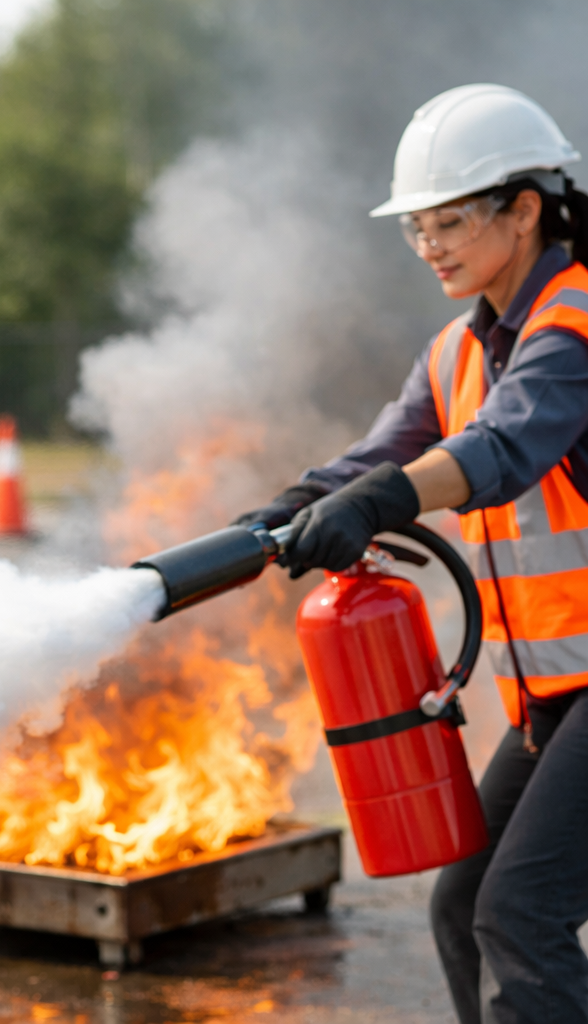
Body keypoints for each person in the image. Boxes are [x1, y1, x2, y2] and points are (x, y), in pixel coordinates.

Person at [238, 84, 588, 1024]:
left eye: (449, 221)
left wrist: (379, 502)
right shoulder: (456, 353)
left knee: (521, 912)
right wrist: (281, 514)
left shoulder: (576, 323)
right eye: (415, 227)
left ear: (524, 210)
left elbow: (504, 445)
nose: (428, 244)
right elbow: (377, 456)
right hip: (557, 695)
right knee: (466, 903)